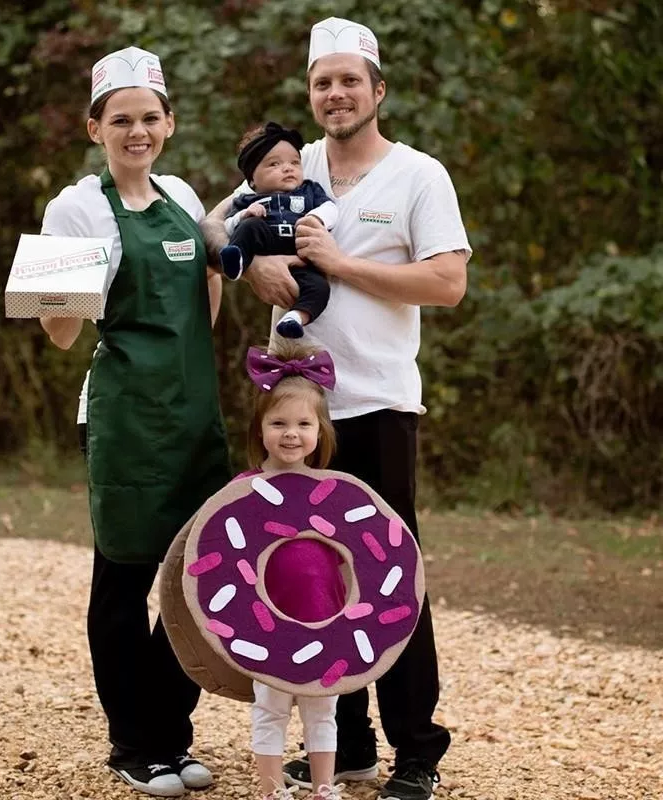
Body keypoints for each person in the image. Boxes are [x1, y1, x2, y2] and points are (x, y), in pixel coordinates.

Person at [202, 16, 471, 800]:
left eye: (350, 80)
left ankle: (416, 750)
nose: (336, 93)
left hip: (379, 402)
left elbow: (447, 283)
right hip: (296, 413)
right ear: (311, 95)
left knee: (392, 573)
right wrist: (253, 272)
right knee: (315, 577)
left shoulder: (419, 175)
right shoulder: (289, 165)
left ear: (378, 90)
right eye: (323, 82)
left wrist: (340, 265)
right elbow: (214, 225)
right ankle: (347, 745)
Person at [39, 46, 231, 797]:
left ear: (170, 123)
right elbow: (56, 334)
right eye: (121, 119)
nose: (137, 131)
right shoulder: (76, 206)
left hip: (193, 416)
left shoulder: (183, 194)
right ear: (96, 129)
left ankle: (170, 737)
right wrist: (63, 281)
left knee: (192, 585)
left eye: (149, 117)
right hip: (123, 416)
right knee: (123, 579)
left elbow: (205, 301)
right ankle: (131, 743)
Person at [239, 341, 345, 800]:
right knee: (271, 709)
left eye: (304, 424)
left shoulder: (335, 493)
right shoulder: (242, 492)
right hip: (269, 623)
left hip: (326, 618)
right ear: (259, 430)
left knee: (322, 711)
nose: (291, 434)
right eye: (278, 423)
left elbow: (354, 556)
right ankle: (270, 789)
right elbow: (225, 554)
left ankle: (324, 787)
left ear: (320, 432)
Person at [220, 121, 338, 338]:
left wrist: (316, 217)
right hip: (268, 242)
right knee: (249, 226)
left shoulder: (309, 190)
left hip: (301, 255)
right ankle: (237, 260)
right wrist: (245, 214)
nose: (287, 168)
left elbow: (331, 207)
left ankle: (295, 318)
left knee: (320, 288)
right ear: (252, 180)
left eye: (295, 162)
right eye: (274, 164)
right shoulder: (248, 198)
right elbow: (226, 224)